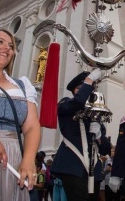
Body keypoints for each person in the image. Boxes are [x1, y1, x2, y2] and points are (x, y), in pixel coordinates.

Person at [0, 28, 41, 201]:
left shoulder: (22, 85)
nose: (7, 48)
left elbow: (32, 126)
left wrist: (28, 159)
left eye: (10, 45)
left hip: (13, 157)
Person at [50, 70, 111, 201]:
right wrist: (89, 81)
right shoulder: (66, 104)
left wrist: (99, 136)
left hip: (93, 169)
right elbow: (77, 102)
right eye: (80, 88)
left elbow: (105, 150)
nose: (86, 91)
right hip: (72, 166)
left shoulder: (95, 114)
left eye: (88, 88)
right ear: (73, 91)